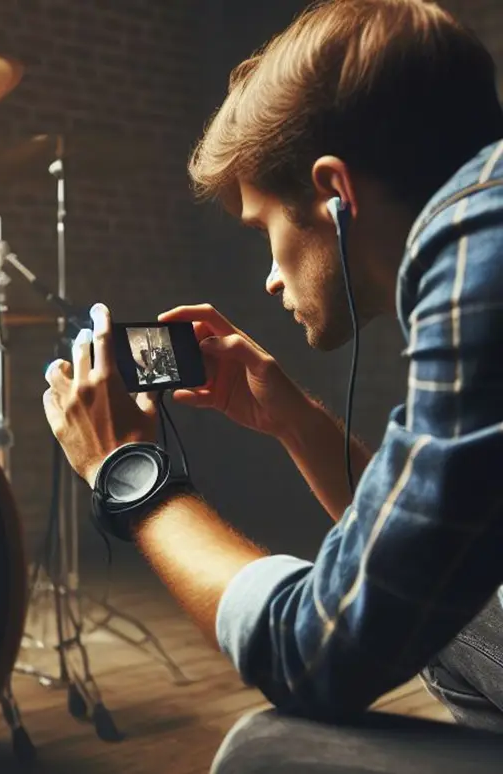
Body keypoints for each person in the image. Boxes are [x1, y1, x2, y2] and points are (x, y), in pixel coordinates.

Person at [41, 0, 503, 770]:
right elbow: (425, 548)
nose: (267, 276)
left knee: (269, 750)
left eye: (265, 230)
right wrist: (292, 418)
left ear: (334, 194)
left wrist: (129, 475)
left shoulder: (476, 256)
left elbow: (317, 651)